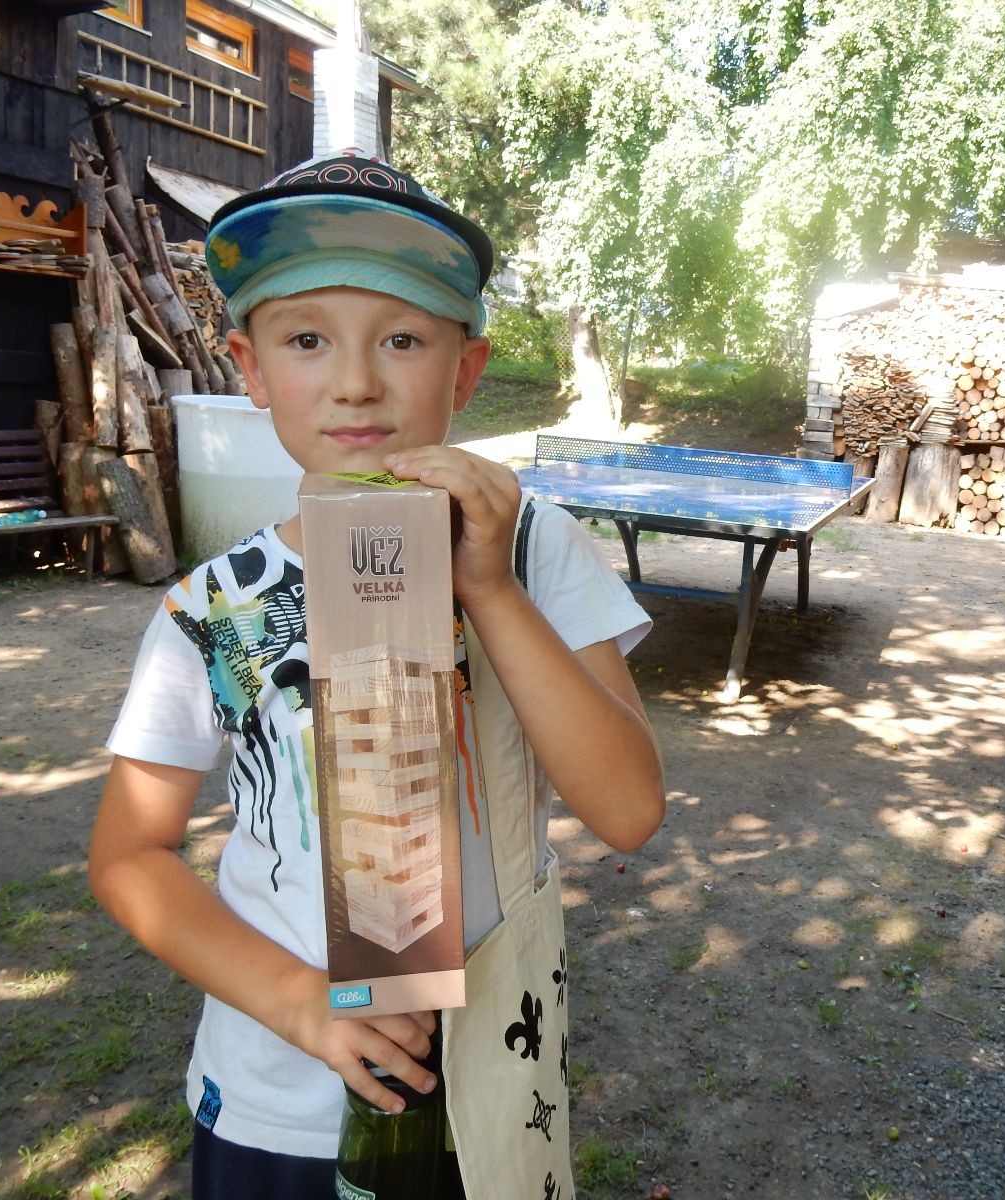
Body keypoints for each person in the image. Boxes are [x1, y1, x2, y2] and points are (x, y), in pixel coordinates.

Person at [88, 150, 665, 1198]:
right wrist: (297, 1001)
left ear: (465, 370)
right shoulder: (215, 608)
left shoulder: (535, 551)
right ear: (249, 367)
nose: (355, 381)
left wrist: (489, 589)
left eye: (402, 339)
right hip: (278, 1096)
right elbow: (130, 853)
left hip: (492, 1080)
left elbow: (627, 811)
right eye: (306, 339)